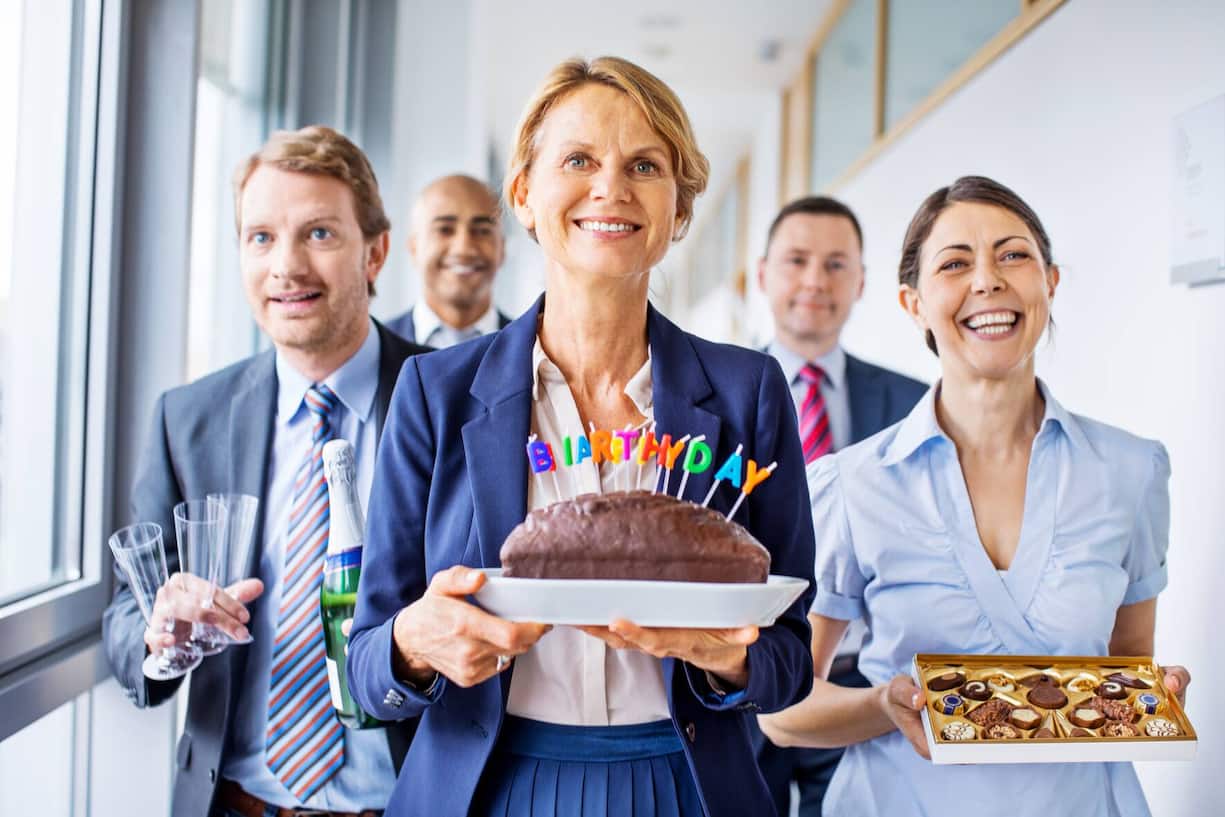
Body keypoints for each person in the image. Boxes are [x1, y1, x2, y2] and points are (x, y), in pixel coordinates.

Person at [346, 56, 816, 817]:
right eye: (577, 160)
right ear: (525, 195)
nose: (611, 187)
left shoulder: (748, 392)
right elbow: (366, 660)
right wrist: (415, 642)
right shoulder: (435, 393)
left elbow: (789, 658)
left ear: (678, 208)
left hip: (684, 786)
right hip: (487, 787)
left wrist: (729, 660)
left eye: (644, 165)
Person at [758, 176, 1191, 816]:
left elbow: (1126, 670)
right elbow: (783, 708)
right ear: (913, 303)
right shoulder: (853, 485)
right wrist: (883, 706)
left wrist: (1146, 697)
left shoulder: (1131, 471)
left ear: (1050, 282)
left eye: (1013, 255)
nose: (987, 280)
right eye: (955, 263)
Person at [101, 125, 432, 817]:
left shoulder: (448, 402)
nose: (285, 265)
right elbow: (127, 615)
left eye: (317, 233)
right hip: (233, 803)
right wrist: (163, 634)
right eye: (260, 238)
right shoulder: (188, 417)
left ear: (375, 252)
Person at [752, 195, 925, 817]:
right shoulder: (714, 393)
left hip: (863, 680)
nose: (814, 281)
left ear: (861, 282)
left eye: (835, 265)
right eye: (797, 261)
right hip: (741, 674)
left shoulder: (913, 403)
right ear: (762, 273)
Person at [385, 174, 512, 347]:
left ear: (502, 248)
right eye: (444, 230)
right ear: (414, 248)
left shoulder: (531, 349)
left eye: (482, 231)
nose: (464, 248)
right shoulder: (377, 350)